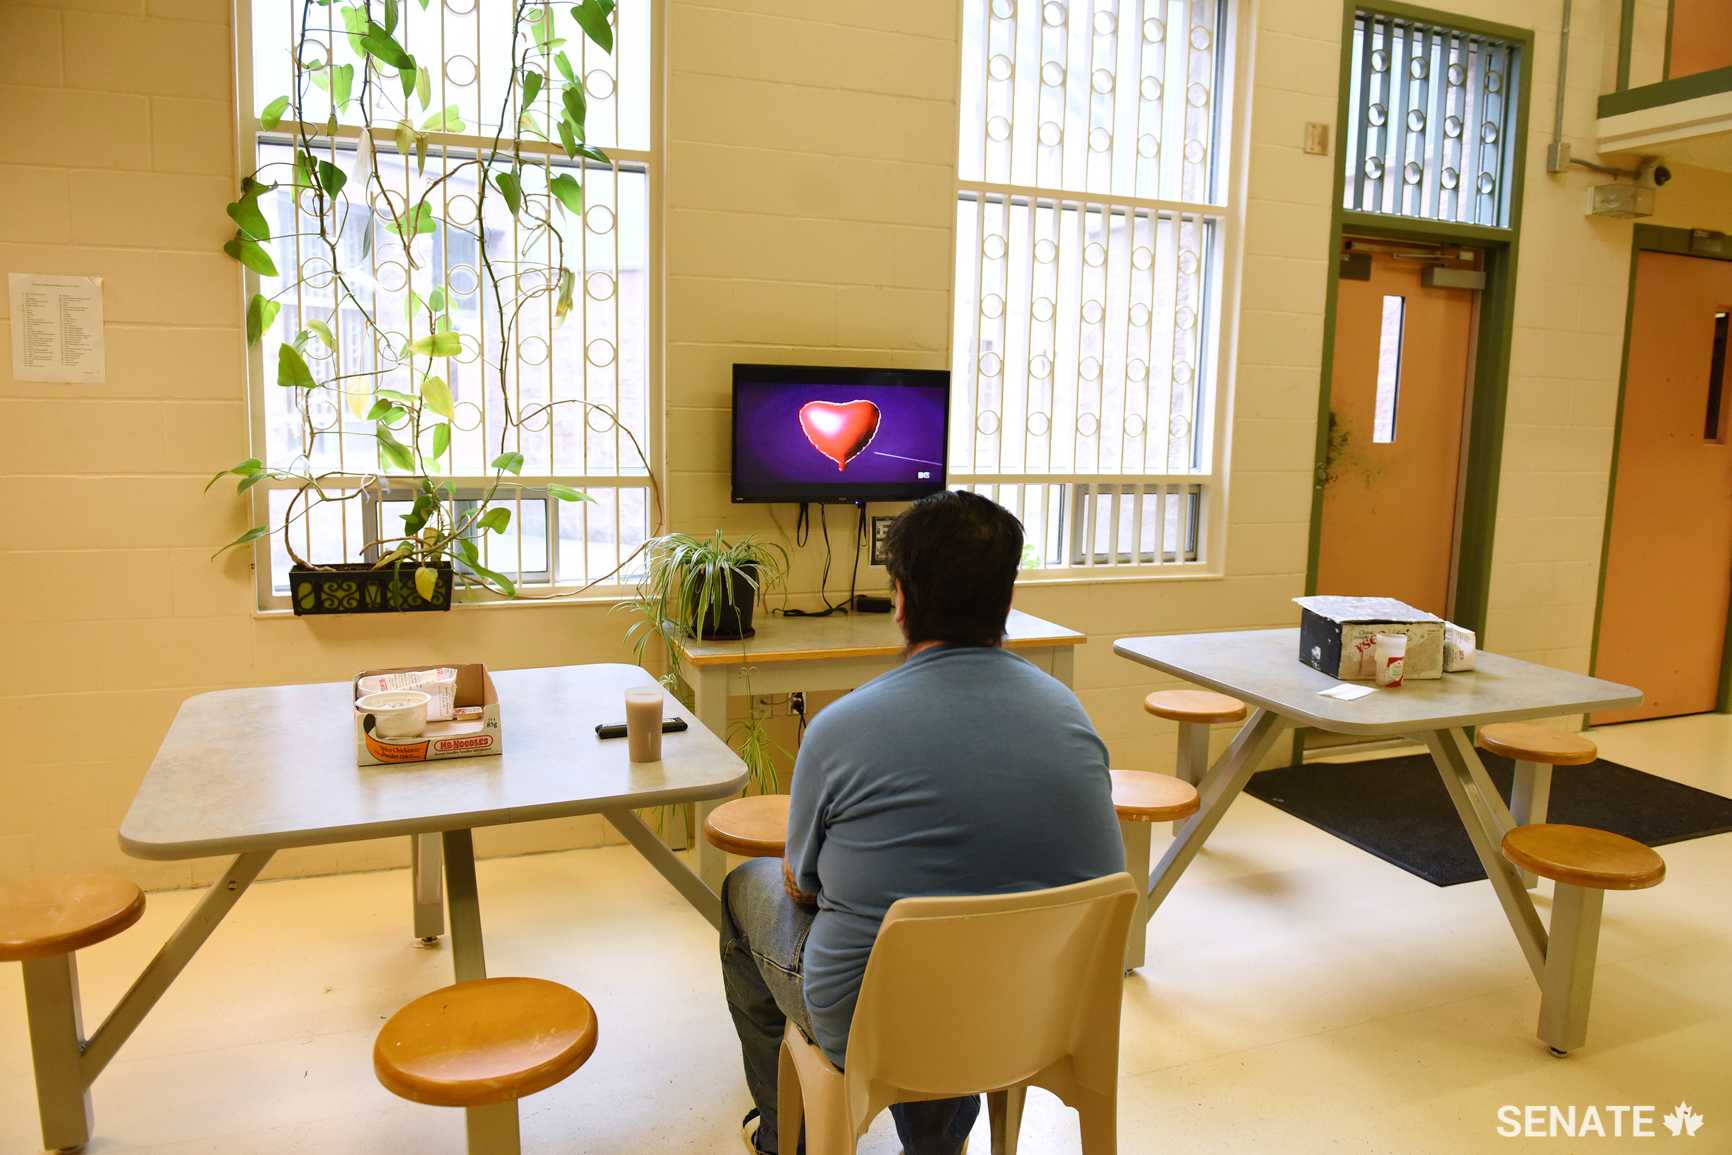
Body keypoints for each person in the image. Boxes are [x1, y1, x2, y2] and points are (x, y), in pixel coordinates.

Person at [719, 490, 1125, 1155]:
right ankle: (937, 1141)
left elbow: (802, 887)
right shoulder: (1069, 713)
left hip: (875, 1027)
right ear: (1007, 598)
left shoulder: (839, 729)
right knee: (964, 913)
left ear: (901, 600)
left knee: (744, 889)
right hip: (1040, 1015)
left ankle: (780, 1135)